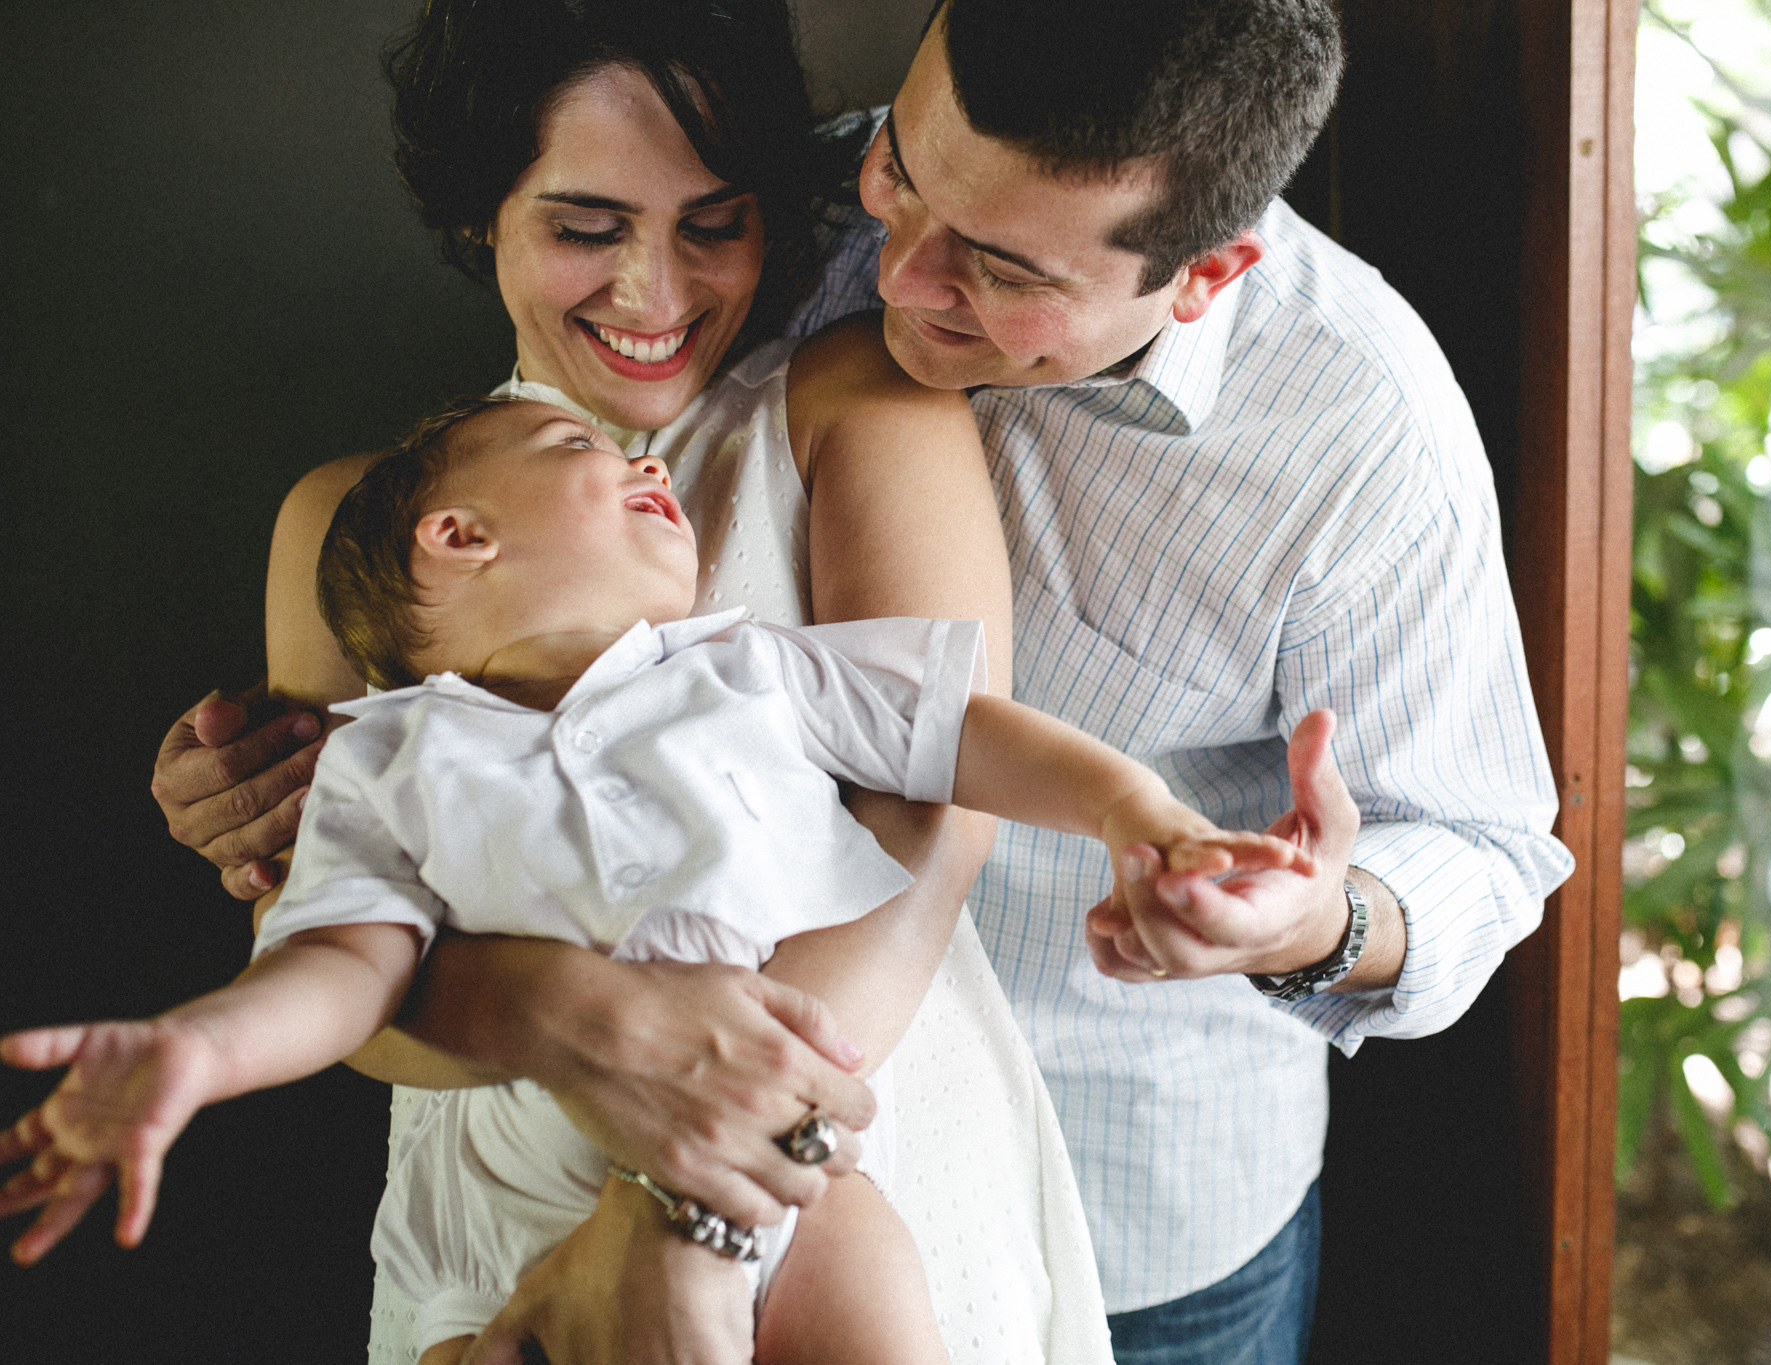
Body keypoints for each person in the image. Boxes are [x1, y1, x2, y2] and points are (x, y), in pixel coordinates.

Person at [152, 2, 1577, 1362]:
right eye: (899, 169)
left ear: (1204, 275)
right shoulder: (774, 185)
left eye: (1001, 271)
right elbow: (340, 956)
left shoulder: (1355, 433)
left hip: (1106, 1174)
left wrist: (1312, 917)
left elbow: (945, 809)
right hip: (532, 1154)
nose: (892, 274)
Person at [144, 2, 1115, 1363]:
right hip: (505, 1178)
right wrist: (579, 1025)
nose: (656, 295)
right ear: (483, 210)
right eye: (587, 229)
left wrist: (681, 1199)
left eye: (712, 223)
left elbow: (936, 829)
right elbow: (338, 959)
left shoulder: (857, 409)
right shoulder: (341, 529)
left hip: (855, 1134)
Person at [3, 393, 1316, 1365]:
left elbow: (961, 733)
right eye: (583, 452)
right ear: (457, 538)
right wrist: (194, 1052)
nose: (645, 459)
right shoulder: (394, 761)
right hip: (524, 1183)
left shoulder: (750, 670)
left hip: (782, 1178)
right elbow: (338, 971)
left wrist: (1132, 806)